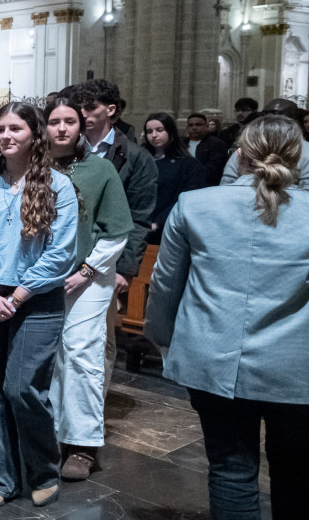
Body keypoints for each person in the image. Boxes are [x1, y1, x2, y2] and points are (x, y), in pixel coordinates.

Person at [145, 114, 309, 520]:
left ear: (240, 154)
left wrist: (162, 337)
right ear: (299, 156)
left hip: (214, 357)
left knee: (231, 469)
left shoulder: (196, 205)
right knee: (296, 470)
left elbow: (166, 283)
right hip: (296, 364)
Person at [0, 102, 78, 509]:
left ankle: (43, 470)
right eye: (1, 129)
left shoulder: (57, 185)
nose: (6, 136)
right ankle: (0, 477)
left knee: (22, 388)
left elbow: (61, 253)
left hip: (36, 298)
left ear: (35, 134)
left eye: (15, 128)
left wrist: (17, 296)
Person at [44, 99, 132, 482]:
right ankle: (50, 435)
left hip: (89, 277)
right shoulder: (34, 168)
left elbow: (117, 230)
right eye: (54, 121)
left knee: (81, 353)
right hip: (43, 279)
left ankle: (82, 444)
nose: (62, 128)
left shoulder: (100, 169)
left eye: (70, 121)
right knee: (49, 357)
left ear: (82, 127)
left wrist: (87, 269)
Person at [72, 79, 157, 393]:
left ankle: (93, 403)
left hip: (107, 260)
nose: (83, 114)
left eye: (90, 107)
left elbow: (138, 218)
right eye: (79, 108)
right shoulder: (67, 148)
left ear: (110, 110)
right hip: (68, 257)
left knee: (99, 338)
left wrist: (125, 268)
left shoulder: (135, 157)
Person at [142, 113, 207, 244]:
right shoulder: (141, 159)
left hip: (169, 229)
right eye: (149, 131)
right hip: (139, 227)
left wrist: (158, 222)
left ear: (170, 132)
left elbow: (188, 199)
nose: (154, 135)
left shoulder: (188, 165)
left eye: (159, 130)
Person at [220, 98, 309, 189]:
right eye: (265, 114)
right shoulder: (247, 147)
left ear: (293, 119)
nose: (269, 119)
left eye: (276, 114)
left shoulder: (306, 149)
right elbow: (227, 184)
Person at [183, 113, 229, 186]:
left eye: (198, 125)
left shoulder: (217, 144)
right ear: (187, 128)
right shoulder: (181, 145)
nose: (194, 128)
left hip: (207, 186)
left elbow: (214, 169)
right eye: (191, 125)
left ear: (206, 127)